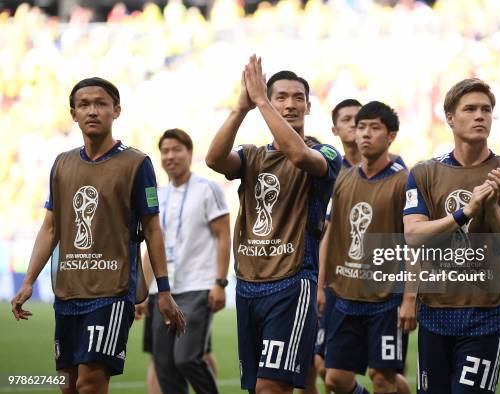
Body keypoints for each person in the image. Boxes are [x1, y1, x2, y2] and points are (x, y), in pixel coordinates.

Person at [10, 77, 185, 394]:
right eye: (84, 104)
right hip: (68, 291)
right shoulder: (62, 164)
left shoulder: (137, 163)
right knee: (68, 385)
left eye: (101, 104)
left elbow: (152, 228)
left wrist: (164, 290)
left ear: (116, 110)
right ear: (73, 113)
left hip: (112, 292)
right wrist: (27, 281)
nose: (93, 111)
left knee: (90, 383)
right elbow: (50, 227)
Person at [205, 55, 341, 393]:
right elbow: (214, 159)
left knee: (271, 387)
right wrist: (241, 108)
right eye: (281, 96)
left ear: (309, 106)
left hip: (292, 282)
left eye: (298, 98)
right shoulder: (252, 155)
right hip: (249, 284)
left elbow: (298, 156)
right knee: (255, 388)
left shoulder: (326, 153)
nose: (290, 104)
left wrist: (263, 102)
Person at [403, 78, 500, 393]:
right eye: (471, 109)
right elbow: (414, 235)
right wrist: (465, 212)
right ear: (450, 117)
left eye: (486, 110)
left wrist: (491, 208)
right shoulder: (423, 173)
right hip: (435, 309)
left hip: (486, 313)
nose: (480, 116)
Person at [308, 99, 411, 394]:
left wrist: (409, 298)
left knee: (383, 378)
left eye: (374, 128)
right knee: (334, 379)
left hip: (386, 299)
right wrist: (321, 285)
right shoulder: (344, 178)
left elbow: (415, 242)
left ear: (390, 136)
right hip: (345, 297)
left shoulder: (405, 180)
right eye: (361, 127)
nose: (364, 133)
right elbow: (331, 233)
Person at [136, 128, 231, 394]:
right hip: (161, 293)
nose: (170, 156)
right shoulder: (157, 195)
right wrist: (142, 293)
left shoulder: (208, 189)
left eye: (177, 149)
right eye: (165, 151)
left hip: (196, 288)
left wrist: (220, 283)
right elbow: (152, 248)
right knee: (164, 365)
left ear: (190, 153)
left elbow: (224, 236)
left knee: (187, 357)